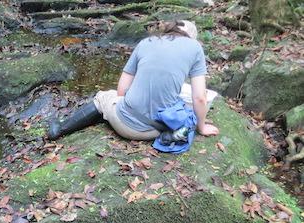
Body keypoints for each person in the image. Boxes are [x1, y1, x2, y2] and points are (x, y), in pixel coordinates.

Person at [48, 20, 220, 142]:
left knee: (104, 96)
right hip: (156, 130)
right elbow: (199, 97)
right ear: (192, 38)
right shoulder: (195, 48)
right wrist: (202, 127)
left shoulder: (147, 42)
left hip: (126, 125)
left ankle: (60, 129)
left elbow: (122, 89)